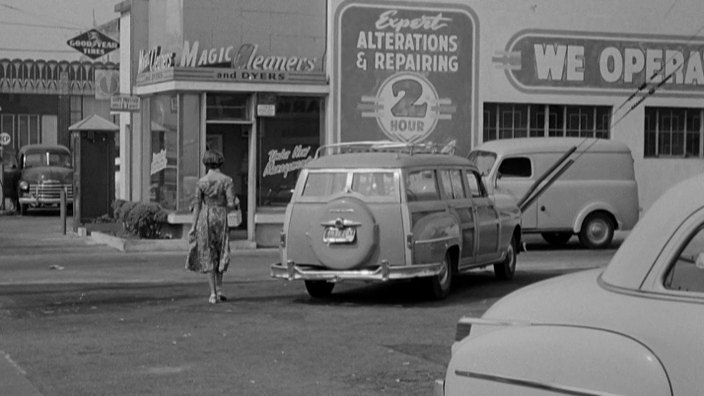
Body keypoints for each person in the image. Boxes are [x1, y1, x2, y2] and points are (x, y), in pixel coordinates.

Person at [187, 150, 239, 304]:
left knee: (208, 252)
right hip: (221, 218)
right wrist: (235, 202)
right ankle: (220, 288)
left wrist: (192, 227)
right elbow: (231, 204)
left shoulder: (201, 182)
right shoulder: (227, 180)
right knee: (221, 251)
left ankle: (212, 294)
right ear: (220, 163)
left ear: (206, 164)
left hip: (205, 217)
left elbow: (197, 205)